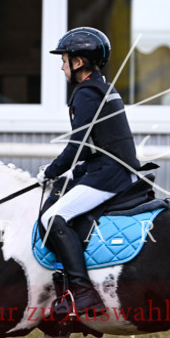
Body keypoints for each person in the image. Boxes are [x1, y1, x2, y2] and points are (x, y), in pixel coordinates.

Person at [38, 27, 143, 319]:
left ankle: (82, 293)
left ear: (80, 61)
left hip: (111, 175)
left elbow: (79, 146)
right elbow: (99, 146)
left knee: (52, 217)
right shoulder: (104, 88)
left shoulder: (85, 93)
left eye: (65, 59)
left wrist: (52, 170)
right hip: (116, 168)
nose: (62, 66)